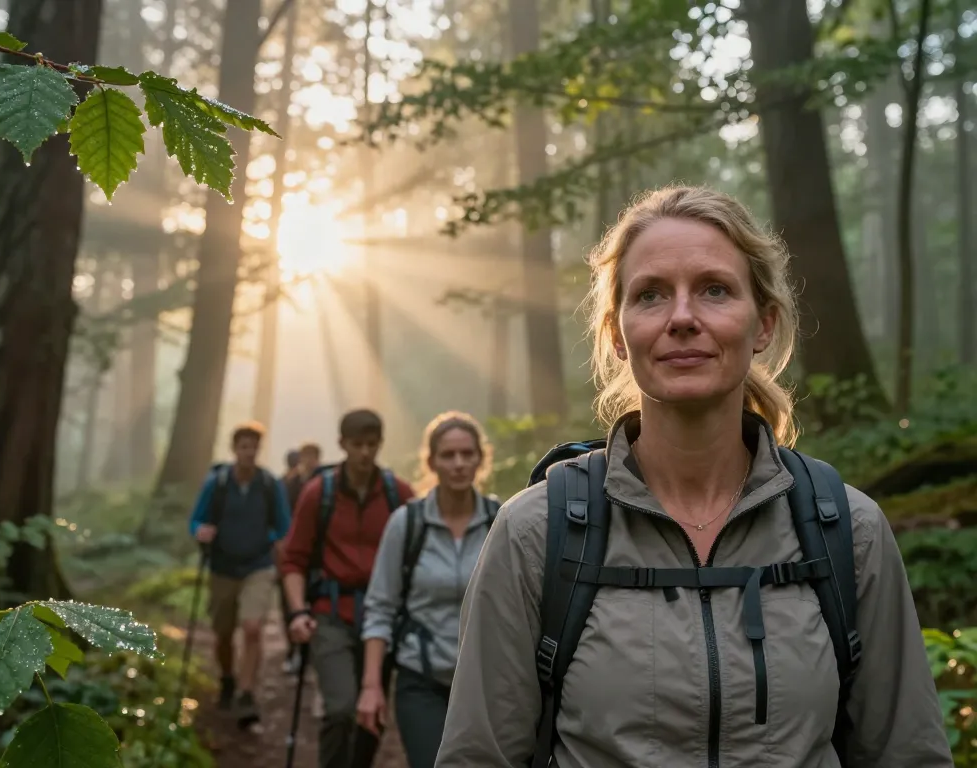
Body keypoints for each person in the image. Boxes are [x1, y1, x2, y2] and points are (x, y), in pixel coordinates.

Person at [434, 186, 953, 767]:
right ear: (617, 335)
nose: (683, 318)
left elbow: (909, 754)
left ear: (763, 324)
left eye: (714, 290)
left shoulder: (846, 530)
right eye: (651, 295)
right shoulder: (536, 531)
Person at [356, 411, 500, 768]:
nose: (459, 464)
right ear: (431, 461)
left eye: (467, 454)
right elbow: (380, 608)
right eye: (448, 455)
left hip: (487, 684)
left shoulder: (502, 522)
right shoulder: (407, 524)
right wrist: (371, 687)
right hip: (421, 681)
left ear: (481, 459)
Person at [280, 409, 414, 768]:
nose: (366, 453)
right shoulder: (318, 493)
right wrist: (297, 611)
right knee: (340, 708)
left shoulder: (397, 493)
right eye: (358, 445)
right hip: (330, 614)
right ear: (342, 445)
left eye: (372, 445)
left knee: (372, 714)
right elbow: (293, 559)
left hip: (383, 619)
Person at [189, 421, 291, 728]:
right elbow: (196, 520)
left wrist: (281, 547)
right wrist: (200, 531)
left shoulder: (269, 484)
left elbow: (284, 525)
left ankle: (247, 693)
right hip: (222, 567)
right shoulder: (217, 483)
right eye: (244, 446)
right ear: (235, 449)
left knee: (252, 628)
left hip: (257, 566)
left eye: (254, 447)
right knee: (223, 633)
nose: (249, 452)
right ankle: (228, 679)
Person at [279, 442, 323, 673]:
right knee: (290, 606)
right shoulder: (287, 484)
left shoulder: (325, 485)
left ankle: (308, 656)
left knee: (314, 607)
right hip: (292, 552)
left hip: (317, 557)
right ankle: (292, 650)